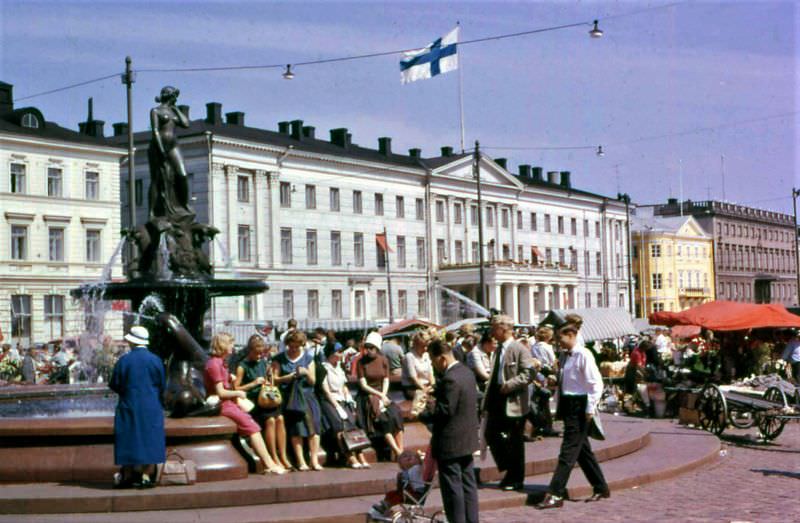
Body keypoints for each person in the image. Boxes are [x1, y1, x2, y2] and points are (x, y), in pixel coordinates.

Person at [537, 323, 609, 509]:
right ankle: (601, 487)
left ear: (571, 335)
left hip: (580, 405)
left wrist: (589, 409)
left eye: (560, 338)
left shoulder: (584, 354)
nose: (557, 342)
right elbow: (569, 381)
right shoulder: (564, 356)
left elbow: (596, 384)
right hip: (569, 403)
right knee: (582, 451)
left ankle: (555, 492)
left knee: (568, 451)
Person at [204, 332, 286, 475]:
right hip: (224, 405)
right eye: (230, 343)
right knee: (253, 428)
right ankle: (269, 464)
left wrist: (230, 378)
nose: (233, 346)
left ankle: (270, 462)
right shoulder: (215, 364)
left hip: (229, 403)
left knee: (255, 424)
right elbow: (220, 393)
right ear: (223, 345)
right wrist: (238, 393)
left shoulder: (219, 363)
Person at [420, 338, 480, 523]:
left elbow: (445, 410)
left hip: (450, 442)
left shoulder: (450, 378)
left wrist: (426, 410)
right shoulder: (466, 372)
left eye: (432, 360)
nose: (432, 364)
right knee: (468, 485)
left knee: (453, 489)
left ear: (441, 359)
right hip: (467, 438)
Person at [481, 314, 538, 491]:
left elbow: (529, 373)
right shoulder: (498, 349)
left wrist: (510, 385)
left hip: (513, 399)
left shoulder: (518, 348)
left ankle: (515, 478)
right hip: (497, 397)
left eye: (494, 328)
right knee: (490, 433)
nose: (491, 332)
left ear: (503, 329)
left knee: (515, 441)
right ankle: (508, 467)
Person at [109, 326, 165, 488]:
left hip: (129, 404)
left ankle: (127, 474)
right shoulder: (156, 360)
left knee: (128, 438)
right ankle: (146, 475)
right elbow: (162, 384)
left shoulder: (124, 360)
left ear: (131, 341)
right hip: (152, 405)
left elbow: (115, 384)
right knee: (151, 438)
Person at [234, 335, 292, 471]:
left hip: (268, 399)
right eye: (257, 353)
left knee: (280, 419)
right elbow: (236, 388)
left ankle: (283, 456)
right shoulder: (242, 366)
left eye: (262, 353)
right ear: (250, 350)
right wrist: (253, 383)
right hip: (255, 402)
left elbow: (269, 379)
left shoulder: (263, 362)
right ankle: (273, 457)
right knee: (271, 421)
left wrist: (269, 377)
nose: (260, 356)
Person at [272, 330, 324, 471]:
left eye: (297, 346)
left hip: (307, 397)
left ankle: (314, 460)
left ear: (302, 345)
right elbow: (274, 380)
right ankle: (301, 461)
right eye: (291, 346)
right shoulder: (279, 358)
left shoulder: (308, 358)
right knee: (297, 429)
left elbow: (313, 381)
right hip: (291, 398)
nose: (294, 349)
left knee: (315, 428)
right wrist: (287, 377)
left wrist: (306, 372)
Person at [356, 331, 405, 460]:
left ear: (377, 348)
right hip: (368, 396)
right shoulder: (361, 362)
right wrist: (379, 395)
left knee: (396, 416)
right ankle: (398, 453)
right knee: (384, 420)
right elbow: (363, 385)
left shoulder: (383, 360)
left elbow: (386, 379)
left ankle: (401, 450)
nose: (368, 350)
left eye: (371, 348)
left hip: (382, 394)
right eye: (366, 347)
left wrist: (383, 395)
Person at [319, 346, 370, 468]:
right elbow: (326, 390)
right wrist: (337, 407)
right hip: (330, 401)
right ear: (331, 353)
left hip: (343, 399)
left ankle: (360, 455)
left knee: (352, 425)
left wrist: (349, 398)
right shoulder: (323, 368)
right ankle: (350, 457)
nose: (342, 354)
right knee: (339, 426)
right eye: (339, 351)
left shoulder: (339, 367)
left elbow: (344, 385)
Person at [148, 85, 192, 222]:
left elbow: (186, 124)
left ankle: (184, 205)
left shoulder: (173, 111)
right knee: (156, 180)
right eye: (172, 94)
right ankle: (151, 212)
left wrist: (176, 109)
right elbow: (155, 131)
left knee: (182, 174)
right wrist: (160, 149)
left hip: (173, 146)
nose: (174, 97)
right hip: (158, 146)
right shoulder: (155, 110)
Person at [371, 450, 426, 516]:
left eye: (413, 456)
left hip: (416, 492)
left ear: (418, 460)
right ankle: (385, 506)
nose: (409, 457)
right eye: (405, 456)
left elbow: (424, 466)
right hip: (406, 492)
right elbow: (400, 486)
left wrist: (421, 458)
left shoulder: (417, 468)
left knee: (397, 496)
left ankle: (387, 506)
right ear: (401, 464)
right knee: (391, 493)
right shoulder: (404, 472)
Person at [402, 328, 436, 418]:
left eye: (426, 346)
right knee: (427, 399)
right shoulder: (409, 356)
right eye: (423, 346)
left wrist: (433, 386)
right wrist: (425, 389)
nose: (425, 349)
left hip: (426, 386)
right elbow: (413, 378)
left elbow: (431, 374)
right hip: (412, 388)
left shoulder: (426, 355)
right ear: (416, 345)